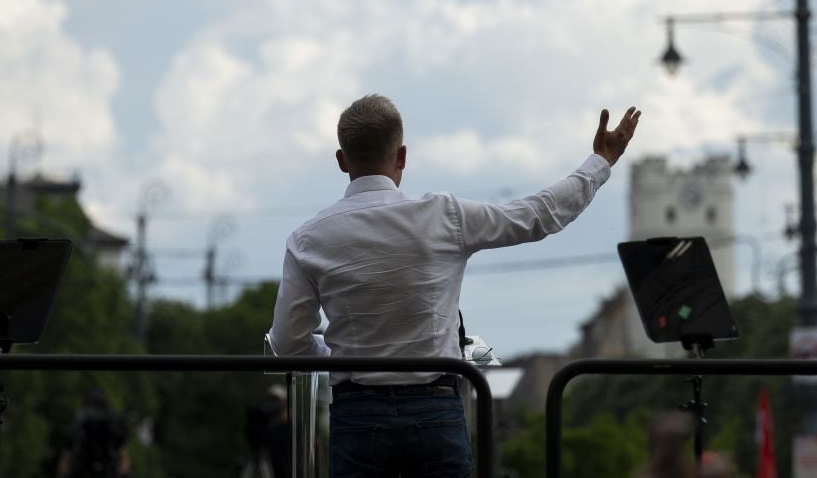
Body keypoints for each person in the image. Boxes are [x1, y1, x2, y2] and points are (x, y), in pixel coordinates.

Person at [268, 94, 641, 477]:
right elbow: (538, 215)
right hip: (435, 410)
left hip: (357, 416)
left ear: (341, 160)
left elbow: (287, 344)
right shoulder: (444, 215)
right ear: (402, 156)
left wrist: (337, 354)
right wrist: (600, 161)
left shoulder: (307, 239)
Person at [56, 387, 131, 478]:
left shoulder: (80, 421)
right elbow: (123, 456)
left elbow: (67, 456)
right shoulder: (111, 423)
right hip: (107, 471)